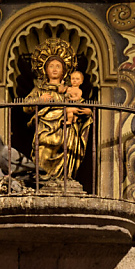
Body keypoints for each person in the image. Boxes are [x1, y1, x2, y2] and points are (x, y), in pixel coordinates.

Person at [23, 41, 92, 184]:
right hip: (45, 129)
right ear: (45, 69)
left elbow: (82, 104)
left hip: (66, 130)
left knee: (67, 151)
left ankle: (64, 180)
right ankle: (41, 181)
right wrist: (40, 100)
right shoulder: (40, 90)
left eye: (58, 66)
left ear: (64, 70)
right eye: (51, 66)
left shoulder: (68, 90)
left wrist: (85, 111)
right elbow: (25, 107)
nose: (54, 69)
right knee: (42, 151)